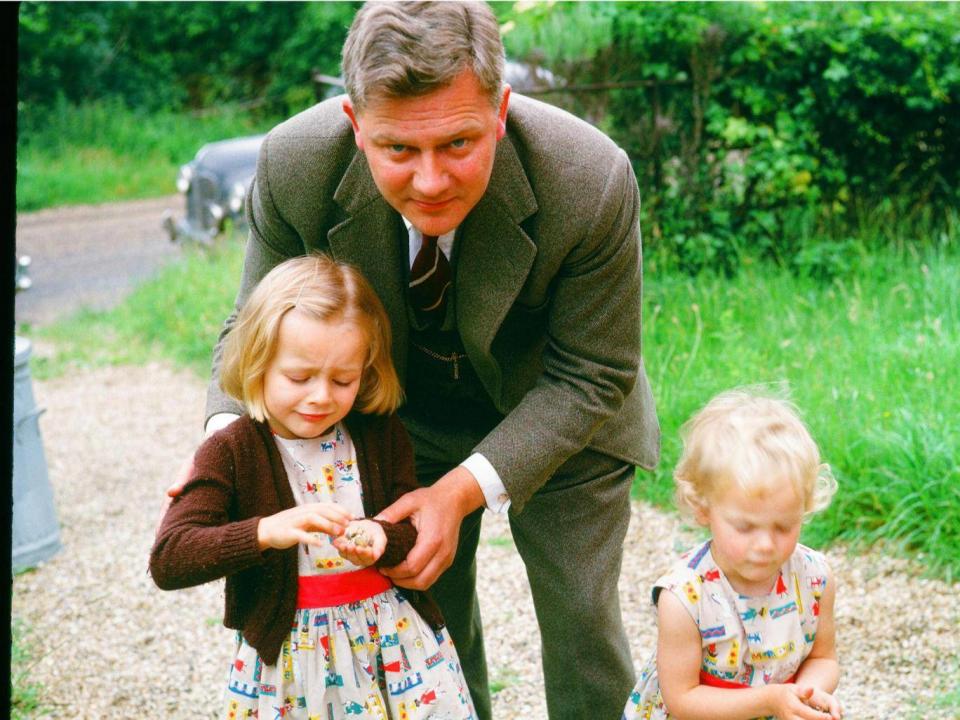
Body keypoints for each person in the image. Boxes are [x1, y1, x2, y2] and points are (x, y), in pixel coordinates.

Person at [171, 2, 660, 717]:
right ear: (354, 124)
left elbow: (595, 372)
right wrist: (224, 449)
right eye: (399, 150)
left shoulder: (590, 177)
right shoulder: (293, 164)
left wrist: (461, 493)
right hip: (399, 413)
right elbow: (253, 332)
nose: (430, 182)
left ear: (501, 110)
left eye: (459, 143)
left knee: (581, 616)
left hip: (560, 409)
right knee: (424, 617)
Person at [151, 254, 476, 719]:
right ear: (256, 362)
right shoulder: (231, 450)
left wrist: (384, 537)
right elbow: (170, 558)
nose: (322, 396)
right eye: (299, 377)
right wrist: (266, 530)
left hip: (394, 645)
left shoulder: (378, 433)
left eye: (343, 379)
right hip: (294, 663)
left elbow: (407, 527)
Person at [622, 390, 842, 720]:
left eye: (783, 526)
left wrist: (805, 695)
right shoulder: (685, 598)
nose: (766, 544)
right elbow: (683, 699)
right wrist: (770, 700)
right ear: (703, 509)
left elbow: (823, 659)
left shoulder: (814, 578)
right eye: (745, 527)